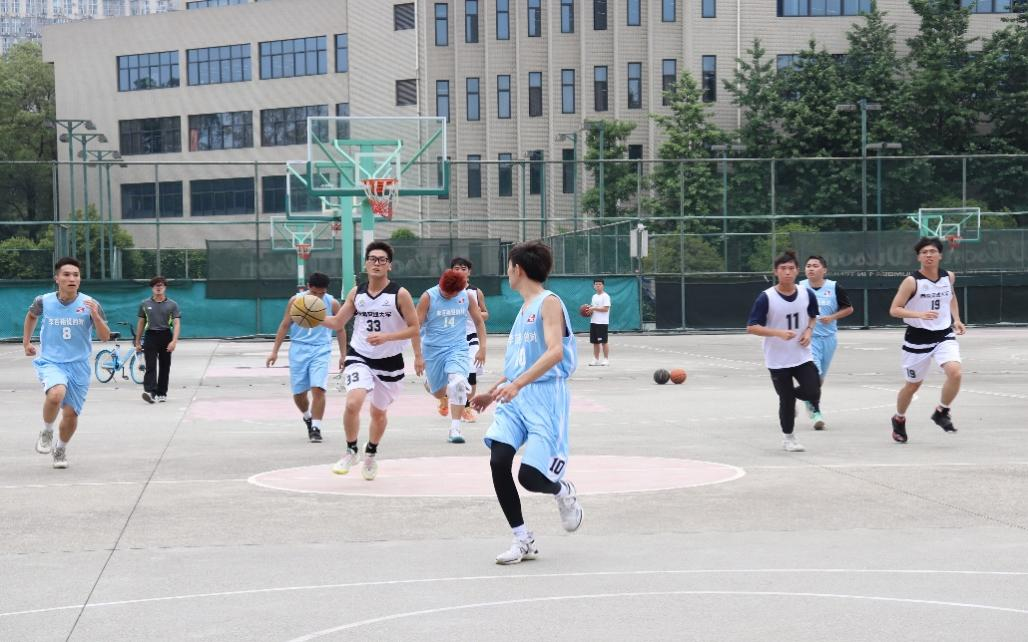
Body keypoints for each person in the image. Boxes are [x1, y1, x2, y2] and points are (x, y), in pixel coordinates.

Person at [471, 241, 582, 565]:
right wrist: (492, 392)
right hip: (514, 398)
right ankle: (522, 539)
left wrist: (517, 384)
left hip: (545, 397)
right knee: (498, 460)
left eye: (508, 267)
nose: (507, 272)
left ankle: (562, 491)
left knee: (530, 478)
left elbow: (555, 352)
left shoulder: (549, 303)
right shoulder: (523, 309)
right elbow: (518, 365)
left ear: (517, 269)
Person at [319, 241, 420, 480]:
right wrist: (311, 317)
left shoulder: (400, 294)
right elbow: (337, 322)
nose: (377, 263)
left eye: (382, 260)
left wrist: (387, 337)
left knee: (378, 413)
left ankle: (371, 453)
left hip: (389, 361)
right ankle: (351, 451)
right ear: (365, 264)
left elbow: (415, 328)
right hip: (360, 355)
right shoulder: (357, 293)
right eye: (372, 259)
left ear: (389, 265)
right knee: (353, 403)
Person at [22, 257, 111, 469]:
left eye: (76, 275)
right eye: (67, 274)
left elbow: (105, 337)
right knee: (56, 394)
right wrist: (26, 342)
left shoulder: (91, 304)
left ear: (80, 279)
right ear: (57, 278)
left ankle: (60, 448)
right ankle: (47, 431)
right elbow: (32, 316)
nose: (72, 278)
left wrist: (96, 317)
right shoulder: (43, 301)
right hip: (51, 361)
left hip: (79, 365)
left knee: (70, 415)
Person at [888, 237, 966, 443]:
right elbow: (894, 310)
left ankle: (942, 411)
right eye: (924, 252)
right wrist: (919, 314)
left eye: (932, 251)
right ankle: (899, 418)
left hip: (943, 335)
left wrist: (957, 319)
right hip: (917, 339)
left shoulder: (948, 277)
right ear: (918, 257)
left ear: (940, 255)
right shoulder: (912, 282)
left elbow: (951, 297)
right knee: (912, 385)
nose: (929, 255)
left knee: (955, 372)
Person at [746, 251, 821, 452]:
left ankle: (790, 397)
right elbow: (752, 327)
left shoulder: (806, 293)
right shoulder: (766, 298)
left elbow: (812, 316)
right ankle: (789, 438)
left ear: (797, 271)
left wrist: (808, 331)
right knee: (786, 401)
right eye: (783, 268)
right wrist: (777, 333)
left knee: (813, 390)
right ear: (776, 272)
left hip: (801, 354)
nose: (787, 272)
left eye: (791, 268)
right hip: (777, 359)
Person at [266, 272, 344, 443]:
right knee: (299, 394)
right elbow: (285, 325)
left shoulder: (332, 303)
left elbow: (340, 329)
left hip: (321, 349)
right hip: (299, 348)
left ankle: (316, 428)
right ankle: (307, 417)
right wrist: (274, 351)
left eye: (321, 293)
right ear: (308, 287)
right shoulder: (296, 301)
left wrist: (343, 355)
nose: (317, 297)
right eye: (314, 293)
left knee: (318, 388)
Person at [416, 268, 486, 444]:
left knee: (458, 383)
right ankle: (431, 383)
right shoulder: (428, 297)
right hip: (433, 350)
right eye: (446, 292)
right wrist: (418, 356)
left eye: (453, 293)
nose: (449, 295)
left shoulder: (466, 296)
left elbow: (479, 321)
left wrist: (482, 348)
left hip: (458, 348)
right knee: (438, 392)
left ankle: (455, 429)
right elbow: (415, 327)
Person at [798, 256, 854, 430]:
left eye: (815, 265)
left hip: (829, 339)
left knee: (819, 380)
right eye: (808, 266)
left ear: (824, 270)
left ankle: (807, 398)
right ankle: (816, 413)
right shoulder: (800, 287)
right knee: (814, 376)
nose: (811, 268)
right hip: (809, 339)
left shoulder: (834, 287)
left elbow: (849, 308)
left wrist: (832, 317)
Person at [449, 257, 490, 423]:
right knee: (457, 376)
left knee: (471, 377)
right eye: (456, 268)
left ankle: (464, 404)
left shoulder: (475, 292)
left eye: (463, 268)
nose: (460, 271)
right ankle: (462, 406)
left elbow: (485, 313)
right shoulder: (445, 291)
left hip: (471, 338)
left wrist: (475, 314)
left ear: (469, 272)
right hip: (452, 340)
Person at [134, 276, 182, 404]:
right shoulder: (145, 304)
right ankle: (151, 392)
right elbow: (141, 322)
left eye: (161, 285)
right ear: (152, 288)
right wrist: (137, 341)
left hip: (166, 335)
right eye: (156, 285)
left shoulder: (172, 304)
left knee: (165, 366)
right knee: (150, 365)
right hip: (150, 335)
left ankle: (162, 393)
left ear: (165, 287)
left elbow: (176, 323)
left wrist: (174, 341)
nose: (158, 287)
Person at [586, 278, 611, 366]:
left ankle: (606, 359)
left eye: (600, 284)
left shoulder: (605, 296)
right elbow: (593, 308)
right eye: (596, 284)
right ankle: (595, 359)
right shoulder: (594, 296)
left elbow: (606, 309)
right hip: (593, 321)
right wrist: (589, 310)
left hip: (602, 323)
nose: (598, 286)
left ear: (603, 286)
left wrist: (594, 308)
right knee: (595, 342)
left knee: (604, 341)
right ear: (594, 286)